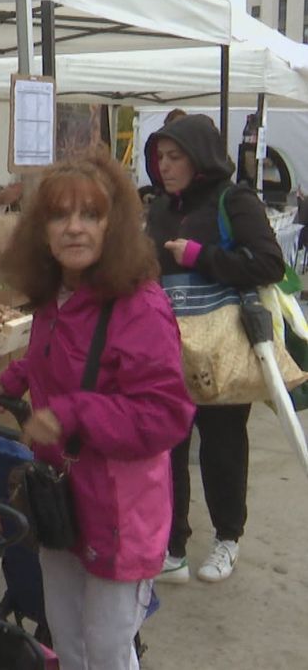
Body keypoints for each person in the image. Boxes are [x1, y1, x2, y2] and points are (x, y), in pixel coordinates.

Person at [0, 150, 195, 670]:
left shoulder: (140, 307)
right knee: (68, 637)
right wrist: (14, 377)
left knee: (107, 649)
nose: (74, 229)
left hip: (121, 510)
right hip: (63, 499)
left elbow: (166, 416)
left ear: (114, 225)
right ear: (42, 229)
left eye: (91, 215)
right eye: (59, 215)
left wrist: (74, 413)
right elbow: (53, 354)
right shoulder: (57, 296)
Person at [144, 114, 286, 584]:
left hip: (222, 344)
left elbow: (269, 262)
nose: (163, 166)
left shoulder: (233, 199)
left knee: (223, 444)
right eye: (160, 157)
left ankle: (228, 537)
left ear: (199, 156)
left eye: (174, 157)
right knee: (169, 445)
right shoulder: (161, 206)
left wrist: (200, 257)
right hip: (168, 343)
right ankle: (173, 545)